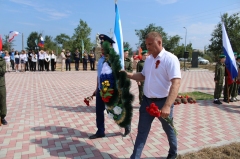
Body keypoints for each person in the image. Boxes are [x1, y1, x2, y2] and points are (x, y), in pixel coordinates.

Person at [125, 32, 181, 159]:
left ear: (159, 42)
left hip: (163, 103)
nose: (147, 47)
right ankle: (135, 157)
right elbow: (143, 76)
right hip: (147, 102)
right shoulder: (149, 59)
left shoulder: (170, 59)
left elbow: (176, 83)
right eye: (146, 44)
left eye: (150, 44)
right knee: (142, 132)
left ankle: (173, 153)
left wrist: (167, 106)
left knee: (169, 130)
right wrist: (128, 74)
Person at [89, 34, 131, 139]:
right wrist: (96, 88)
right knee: (99, 110)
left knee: (116, 109)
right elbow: (98, 76)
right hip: (101, 90)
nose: (102, 50)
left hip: (112, 89)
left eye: (105, 48)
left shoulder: (115, 59)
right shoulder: (100, 60)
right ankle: (100, 131)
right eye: (101, 48)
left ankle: (126, 124)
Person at [0, 54, 7, 125]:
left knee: (2, 101)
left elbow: (2, 71)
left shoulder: (2, 61)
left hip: (1, 85)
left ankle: (2, 117)